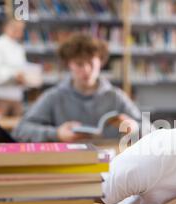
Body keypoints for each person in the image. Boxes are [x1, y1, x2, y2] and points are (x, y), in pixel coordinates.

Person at [13, 33, 143, 142]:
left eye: (91, 63)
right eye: (79, 64)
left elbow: (151, 130)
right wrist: (56, 133)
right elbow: (20, 130)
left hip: (111, 164)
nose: (86, 70)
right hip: (67, 163)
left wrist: (134, 127)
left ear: (101, 62)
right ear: (69, 65)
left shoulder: (116, 96)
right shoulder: (54, 96)